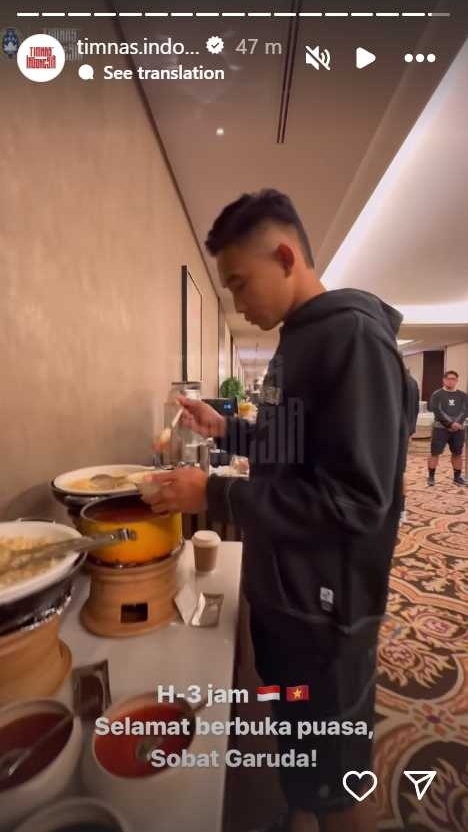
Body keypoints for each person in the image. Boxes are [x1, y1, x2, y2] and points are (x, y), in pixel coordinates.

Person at [146, 190, 415, 832]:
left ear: (286, 255)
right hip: (287, 593)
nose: (238, 302)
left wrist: (212, 494)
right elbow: (292, 446)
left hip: (330, 612)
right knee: (298, 734)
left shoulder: (352, 338)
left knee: (340, 770)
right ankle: (299, 809)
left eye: (240, 283)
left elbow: (355, 500)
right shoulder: (301, 338)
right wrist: (226, 431)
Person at [427, 370, 468, 486]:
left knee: (457, 453)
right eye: (449, 379)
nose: (451, 381)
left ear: (457, 381)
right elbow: (437, 411)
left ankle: (457, 477)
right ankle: (431, 477)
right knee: (435, 453)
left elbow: (465, 411)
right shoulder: (437, 394)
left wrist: (458, 423)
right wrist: (450, 424)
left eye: (453, 379)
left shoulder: (463, 395)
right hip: (440, 429)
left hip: (458, 430)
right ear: (444, 380)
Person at [400, 369, 420, 523]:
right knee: (400, 471)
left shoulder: (396, 379)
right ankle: (400, 510)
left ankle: (399, 511)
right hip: (405, 431)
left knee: (396, 472)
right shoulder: (412, 382)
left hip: (392, 433)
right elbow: (416, 409)